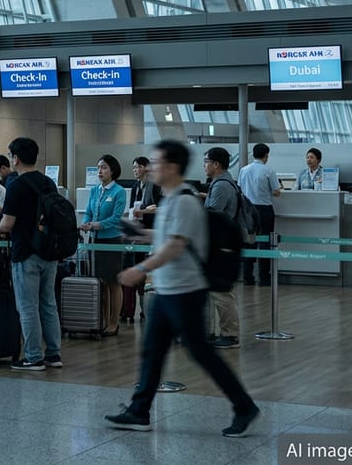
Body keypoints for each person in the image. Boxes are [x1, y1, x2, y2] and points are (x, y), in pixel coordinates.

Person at [106, 139, 260, 437]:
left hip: (186, 292)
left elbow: (176, 245)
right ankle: (139, 411)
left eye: (157, 163)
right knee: (153, 351)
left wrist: (140, 269)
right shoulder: (172, 199)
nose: (151, 168)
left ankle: (244, 406)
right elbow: (165, 235)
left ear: (173, 167)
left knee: (201, 353)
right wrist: (139, 234)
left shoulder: (186, 200)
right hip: (167, 290)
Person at [0, 137, 62, 371]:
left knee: (27, 306)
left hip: (26, 253)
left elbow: (7, 223)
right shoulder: (48, 183)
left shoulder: (16, 185)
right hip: (50, 251)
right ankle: (54, 354)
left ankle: (33, 356)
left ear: (16, 158)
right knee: (48, 304)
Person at [79, 155, 128, 336]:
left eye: (104, 167)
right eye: (98, 167)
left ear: (113, 170)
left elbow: (116, 218)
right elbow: (89, 212)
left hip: (112, 241)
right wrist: (86, 223)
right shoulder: (95, 191)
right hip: (95, 241)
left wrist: (96, 225)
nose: (100, 171)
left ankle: (114, 322)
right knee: (101, 283)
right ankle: (103, 320)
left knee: (114, 282)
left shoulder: (119, 191)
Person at [202, 147, 243, 350]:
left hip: (222, 246)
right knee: (217, 292)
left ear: (216, 164)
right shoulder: (221, 183)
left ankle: (230, 334)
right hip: (221, 244)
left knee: (222, 293)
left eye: (206, 161)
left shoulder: (221, 186)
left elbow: (212, 214)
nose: (204, 165)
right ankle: (218, 331)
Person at [123, 156, 162, 323]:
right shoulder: (134, 187)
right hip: (139, 232)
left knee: (150, 270)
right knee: (138, 267)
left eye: (138, 167)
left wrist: (143, 212)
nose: (135, 170)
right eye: (133, 167)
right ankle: (141, 307)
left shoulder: (154, 186)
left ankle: (150, 309)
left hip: (152, 231)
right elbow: (133, 208)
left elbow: (159, 208)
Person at [238, 143, 281, 286]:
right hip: (264, 210)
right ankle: (264, 278)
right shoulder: (269, 171)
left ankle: (247, 277)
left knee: (249, 242)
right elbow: (276, 192)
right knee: (265, 243)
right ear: (266, 155)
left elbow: (240, 188)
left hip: (247, 210)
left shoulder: (244, 170)